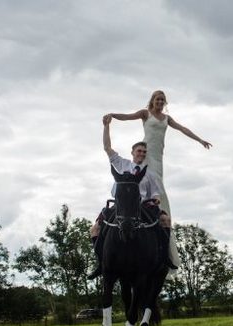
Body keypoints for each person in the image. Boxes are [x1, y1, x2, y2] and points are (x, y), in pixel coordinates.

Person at [103, 90, 212, 269]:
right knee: (138, 178)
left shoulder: (167, 118)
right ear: (152, 101)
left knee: (155, 186)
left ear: (165, 102)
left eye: (162, 100)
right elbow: (128, 116)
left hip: (157, 157)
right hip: (146, 153)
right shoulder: (145, 114)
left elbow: (183, 129)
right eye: (157, 99)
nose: (160, 102)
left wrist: (200, 140)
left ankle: (160, 229)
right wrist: (113, 116)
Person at [88, 115, 175, 280]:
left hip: (141, 206)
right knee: (94, 229)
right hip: (120, 206)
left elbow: (155, 193)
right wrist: (106, 126)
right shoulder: (122, 164)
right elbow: (107, 148)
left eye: (144, 152)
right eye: (139, 151)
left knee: (165, 220)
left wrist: (156, 199)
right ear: (133, 152)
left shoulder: (149, 173)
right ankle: (100, 263)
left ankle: (165, 257)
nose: (141, 154)